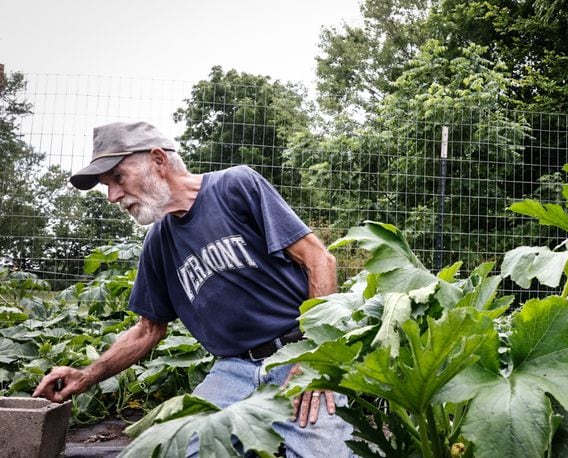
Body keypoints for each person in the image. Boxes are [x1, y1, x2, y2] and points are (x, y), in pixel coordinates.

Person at [33, 121, 355, 457]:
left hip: (297, 354)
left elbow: (319, 260)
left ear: (158, 160)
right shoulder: (158, 243)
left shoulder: (235, 186)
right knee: (178, 448)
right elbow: (147, 330)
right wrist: (86, 375)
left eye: (117, 178)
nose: (113, 196)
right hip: (233, 372)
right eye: (107, 186)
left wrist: (315, 354)